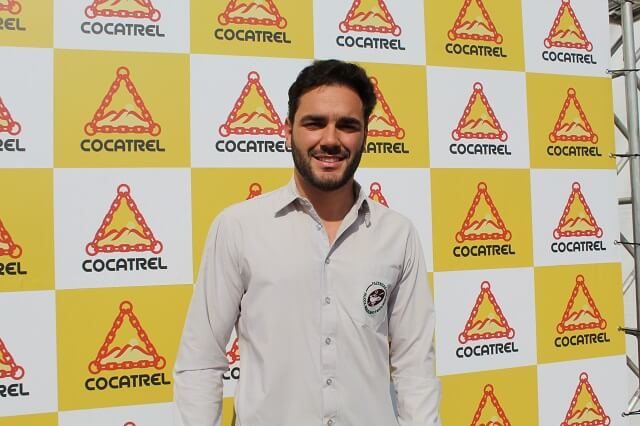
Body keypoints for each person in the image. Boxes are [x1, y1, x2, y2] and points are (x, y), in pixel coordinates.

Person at [174, 59, 441, 426]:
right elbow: (200, 362)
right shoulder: (238, 228)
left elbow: (414, 367)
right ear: (288, 131)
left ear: (365, 134)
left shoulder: (398, 234)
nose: (330, 140)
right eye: (314, 123)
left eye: (347, 125)